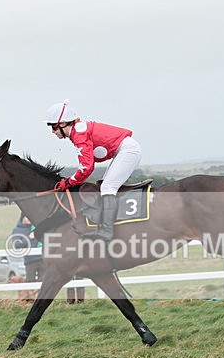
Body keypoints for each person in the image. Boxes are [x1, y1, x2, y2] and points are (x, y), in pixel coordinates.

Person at [45, 100, 142, 241]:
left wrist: (69, 182)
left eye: (54, 127)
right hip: (124, 150)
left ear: (63, 124)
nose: (53, 132)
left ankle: (107, 231)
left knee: (108, 187)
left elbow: (87, 168)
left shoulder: (79, 134)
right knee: (105, 186)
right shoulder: (78, 131)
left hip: (128, 151)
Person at [11, 214, 44, 282]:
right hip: (30, 261)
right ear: (23, 218)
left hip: (42, 259)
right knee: (30, 282)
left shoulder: (38, 227)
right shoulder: (17, 230)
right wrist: (29, 238)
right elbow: (17, 245)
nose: (30, 218)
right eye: (27, 217)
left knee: (43, 282)